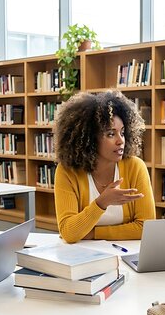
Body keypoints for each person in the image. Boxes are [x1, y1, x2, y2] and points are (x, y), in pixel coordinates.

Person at [54, 90, 155, 243]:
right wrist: (102, 203)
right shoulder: (67, 172)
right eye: (110, 134)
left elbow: (146, 227)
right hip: (81, 257)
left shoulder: (135, 167)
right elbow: (69, 232)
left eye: (122, 132)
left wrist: (94, 233)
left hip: (124, 254)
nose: (120, 141)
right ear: (90, 139)